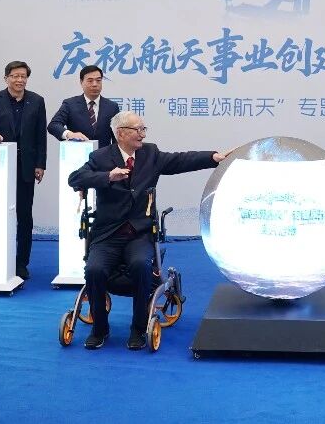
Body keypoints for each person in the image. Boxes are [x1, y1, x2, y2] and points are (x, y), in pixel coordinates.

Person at [67, 110, 227, 351]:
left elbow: (180, 160)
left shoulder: (150, 154)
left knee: (141, 265)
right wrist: (108, 176)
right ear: (121, 133)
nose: (143, 134)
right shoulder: (100, 157)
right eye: (138, 129)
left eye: (144, 129)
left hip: (139, 234)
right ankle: (100, 329)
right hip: (107, 235)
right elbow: (75, 178)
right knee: (94, 269)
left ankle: (138, 328)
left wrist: (212, 157)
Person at [0, 60, 48, 281]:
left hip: (26, 167)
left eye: (23, 76)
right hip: (0, 168)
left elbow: (40, 136)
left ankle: (21, 262)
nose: (19, 80)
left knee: (24, 216)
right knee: (0, 214)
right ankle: (0, 259)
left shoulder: (37, 101)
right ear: (6, 78)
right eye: (15, 76)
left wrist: (40, 164)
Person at [48, 65, 119, 148]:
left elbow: (117, 136)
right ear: (81, 82)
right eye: (90, 81)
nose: (95, 84)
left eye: (98, 80)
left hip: (104, 154)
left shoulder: (112, 107)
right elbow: (53, 125)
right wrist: (69, 134)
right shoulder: (70, 104)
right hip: (77, 153)